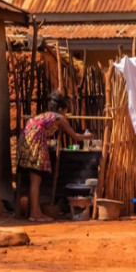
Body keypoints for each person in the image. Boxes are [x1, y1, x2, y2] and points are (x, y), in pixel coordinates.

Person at [19, 90, 92, 222]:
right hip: (34, 143)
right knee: (36, 181)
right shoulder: (59, 118)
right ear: (60, 109)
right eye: (65, 110)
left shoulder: (44, 115)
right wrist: (88, 136)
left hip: (25, 141)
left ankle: (37, 212)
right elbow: (75, 136)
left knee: (35, 180)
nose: (65, 113)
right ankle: (34, 214)